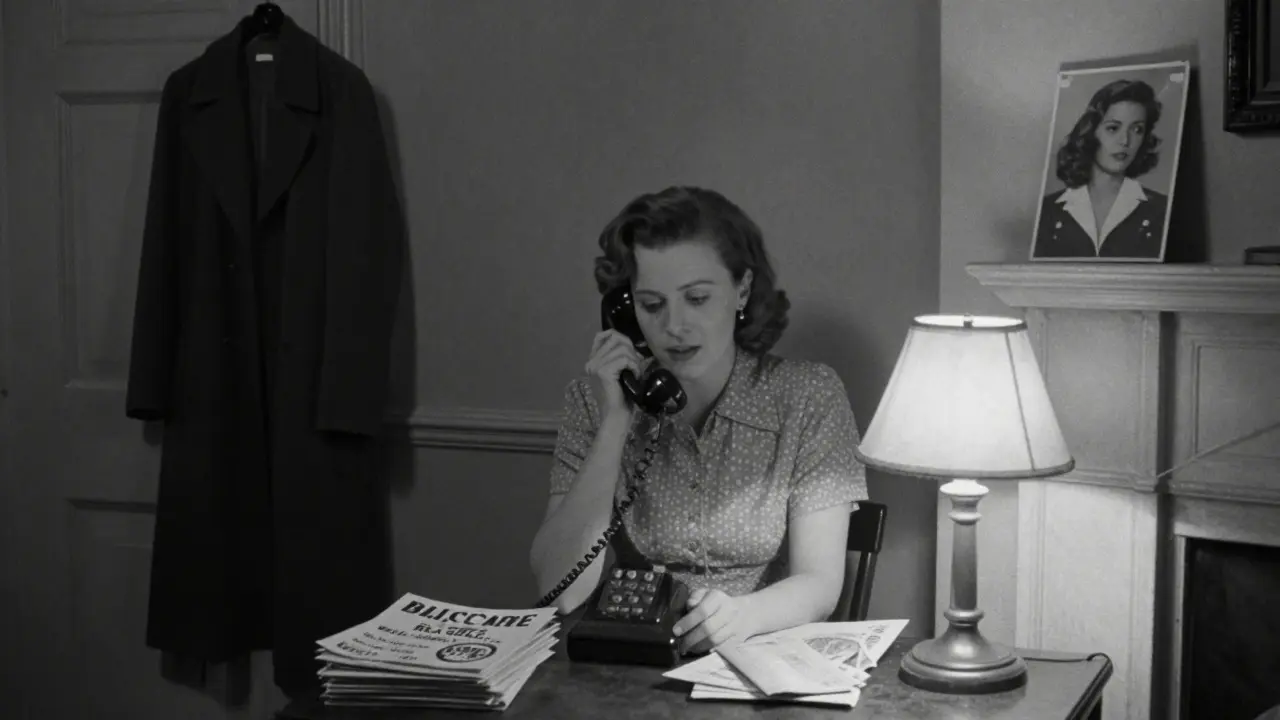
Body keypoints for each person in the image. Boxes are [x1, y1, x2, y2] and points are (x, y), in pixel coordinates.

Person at [529, 185, 869, 656]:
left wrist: (740, 617)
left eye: (697, 298)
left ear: (742, 289)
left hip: (751, 656)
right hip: (625, 664)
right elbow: (559, 588)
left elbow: (820, 583)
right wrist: (615, 422)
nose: (674, 326)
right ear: (626, 313)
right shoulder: (591, 401)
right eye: (651, 304)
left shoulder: (807, 395)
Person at [1032, 78, 1169, 259]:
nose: (1125, 141)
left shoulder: (1162, 210)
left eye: (1137, 130)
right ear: (1090, 131)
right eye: (1113, 128)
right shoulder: (1048, 211)